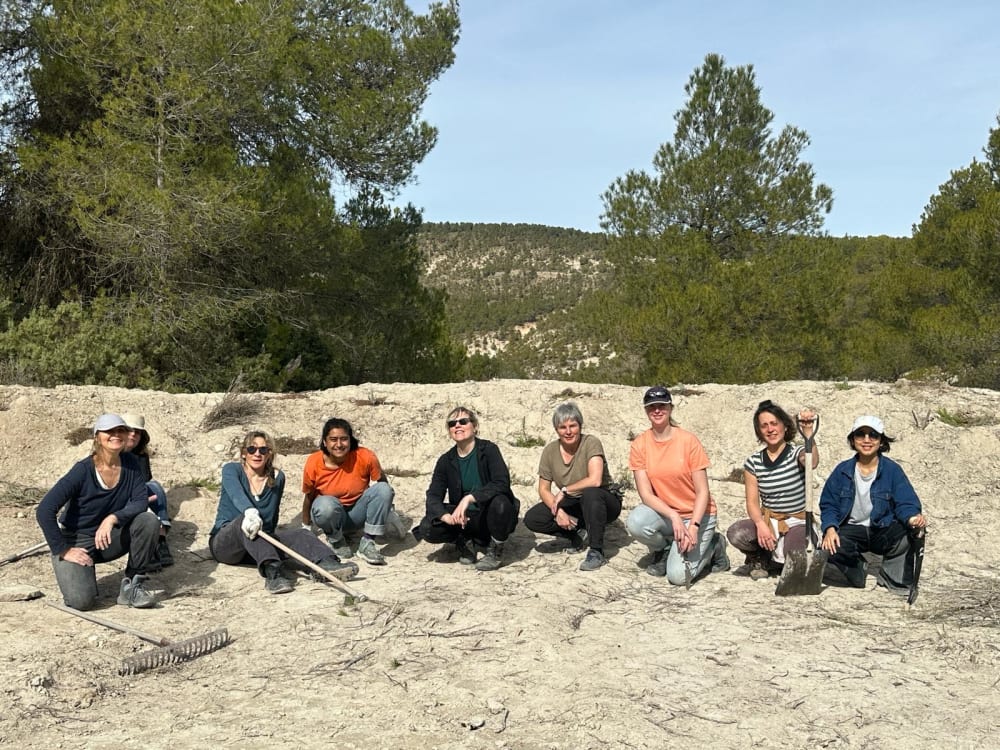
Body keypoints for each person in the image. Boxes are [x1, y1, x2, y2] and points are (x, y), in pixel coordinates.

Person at [36, 413, 159, 610]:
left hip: (108, 537)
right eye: (109, 431)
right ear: (97, 437)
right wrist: (62, 549)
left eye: (120, 430)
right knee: (81, 602)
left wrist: (112, 518)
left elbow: (139, 502)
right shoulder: (83, 470)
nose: (116, 434)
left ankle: (132, 585)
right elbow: (45, 510)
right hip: (78, 539)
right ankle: (79, 571)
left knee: (148, 521)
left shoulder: (131, 463)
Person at [210, 430, 357, 594]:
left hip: (258, 542)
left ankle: (327, 564)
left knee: (300, 534)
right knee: (243, 523)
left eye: (263, 450)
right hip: (226, 544)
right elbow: (236, 494)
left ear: (269, 454)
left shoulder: (277, 478)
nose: (257, 454)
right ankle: (274, 574)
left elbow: (270, 519)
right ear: (244, 453)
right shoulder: (231, 470)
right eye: (252, 449)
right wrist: (250, 512)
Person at [625, 386, 729, 585]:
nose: (657, 410)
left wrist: (694, 527)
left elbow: (702, 491)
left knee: (678, 577)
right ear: (646, 411)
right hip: (668, 513)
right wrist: (673, 516)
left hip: (697, 514)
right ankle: (663, 549)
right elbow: (646, 495)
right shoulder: (640, 444)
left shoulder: (688, 441)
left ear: (670, 408)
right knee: (636, 522)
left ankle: (714, 546)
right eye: (652, 406)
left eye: (662, 406)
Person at [819, 415, 927, 593]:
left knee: (907, 535)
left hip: (882, 528)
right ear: (853, 440)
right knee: (829, 545)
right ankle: (856, 570)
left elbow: (905, 501)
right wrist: (830, 528)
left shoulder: (892, 470)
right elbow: (829, 504)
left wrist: (912, 518)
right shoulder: (842, 470)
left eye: (873, 435)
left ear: (881, 441)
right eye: (861, 434)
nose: (867, 440)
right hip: (852, 530)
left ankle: (892, 577)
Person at [413, 406, 520, 571]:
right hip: (463, 520)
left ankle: (496, 549)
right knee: (427, 527)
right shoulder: (445, 461)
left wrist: (470, 498)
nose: (457, 425)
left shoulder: (489, 450)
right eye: (452, 423)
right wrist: (445, 516)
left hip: (489, 515)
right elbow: (433, 495)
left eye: (463, 421)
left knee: (501, 503)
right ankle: (464, 541)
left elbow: (501, 482)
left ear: (474, 426)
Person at [523, 402, 622, 571]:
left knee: (591, 494)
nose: (568, 432)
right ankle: (576, 534)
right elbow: (543, 489)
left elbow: (595, 480)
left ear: (580, 426)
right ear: (556, 430)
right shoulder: (550, 451)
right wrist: (558, 511)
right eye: (563, 427)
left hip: (603, 501)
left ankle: (596, 550)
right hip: (574, 502)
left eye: (572, 426)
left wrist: (565, 490)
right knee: (534, 518)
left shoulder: (591, 443)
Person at [726, 401, 818, 579]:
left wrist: (809, 435)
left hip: (798, 521)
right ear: (759, 431)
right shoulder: (753, 462)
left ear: (784, 426)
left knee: (797, 551)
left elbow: (811, 462)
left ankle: (778, 560)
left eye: (774, 423)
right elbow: (752, 502)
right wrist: (761, 525)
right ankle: (759, 557)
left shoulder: (796, 453)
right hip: (770, 520)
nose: (770, 429)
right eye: (764, 426)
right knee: (736, 533)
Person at [302, 418, 395, 565]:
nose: (339, 445)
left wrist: (389, 510)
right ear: (325, 442)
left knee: (385, 490)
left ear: (350, 440)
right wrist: (306, 526)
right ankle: (337, 540)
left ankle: (368, 542)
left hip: (357, 515)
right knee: (325, 505)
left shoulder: (365, 456)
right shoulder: (314, 462)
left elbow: (382, 483)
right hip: (329, 516)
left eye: (344, 439)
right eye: (333, 439)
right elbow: (309, 496)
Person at [121, 413, 173, 569]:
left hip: (138, 495)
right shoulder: (111, 454)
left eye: (137, 432)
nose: (133, 434)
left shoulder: (141, 457)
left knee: (154, 487)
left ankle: (160, 539)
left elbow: (142, 483)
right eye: (129, 430)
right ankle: (147, 546)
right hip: (118, 498)